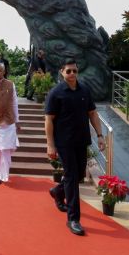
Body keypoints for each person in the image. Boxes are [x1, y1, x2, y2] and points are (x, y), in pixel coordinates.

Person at [44, 59, 105, 236]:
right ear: (62, 72)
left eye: (74, 71)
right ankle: (73, 219)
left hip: (81, 140)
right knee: (71, 176)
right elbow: (49, 120)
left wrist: (100, 135)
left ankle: (58, 191)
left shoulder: (84, 90)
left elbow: (92, 113)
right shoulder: (56, 93)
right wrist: (50, 144)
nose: (72, 74)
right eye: (68, 71)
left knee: (78, 176)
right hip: (64, 142)